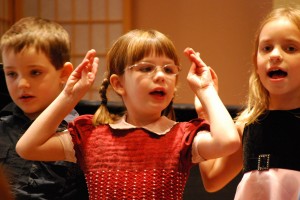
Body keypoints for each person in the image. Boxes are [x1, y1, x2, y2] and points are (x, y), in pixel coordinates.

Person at [15, 29, 240, 200]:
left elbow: (228, 142)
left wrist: (206, 91)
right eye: (146, 68)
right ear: (118, 84)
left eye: (169, 70)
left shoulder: (183, 137)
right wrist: (68, 95)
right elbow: (27, 147)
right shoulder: (91, 135)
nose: (161, 76)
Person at [197, 6, 300, 200]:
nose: (275, 55)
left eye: (291, 48)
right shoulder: (247, 128)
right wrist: (205, 113)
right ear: (256, 63)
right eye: (267, 48)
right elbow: (212, 179)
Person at [0, 17, 89, 199]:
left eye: (35, 72)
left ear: (64, 73)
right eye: (11, 74)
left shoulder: (79, 133)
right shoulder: (2, 126)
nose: (22, 84)